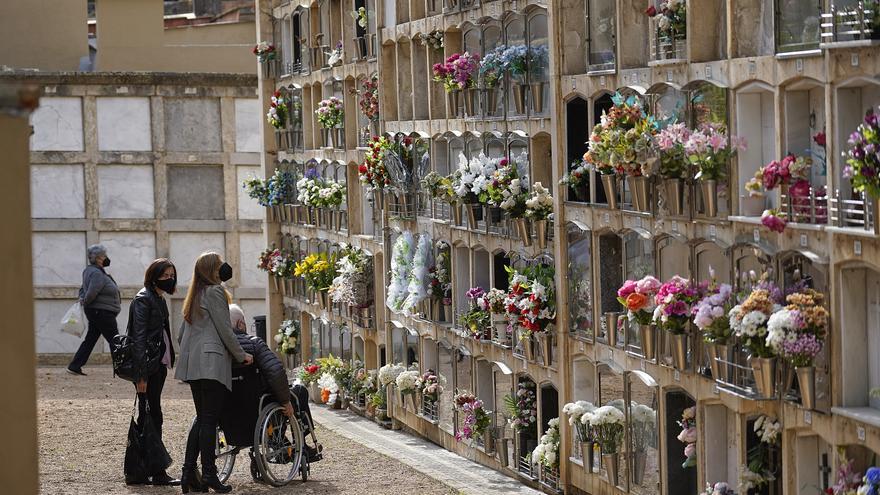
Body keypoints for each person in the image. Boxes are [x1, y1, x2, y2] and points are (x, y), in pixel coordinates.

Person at [176, 252, 253, 494]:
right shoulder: (215, 292)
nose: (224, 268)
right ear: (213, 270)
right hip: (211, 363)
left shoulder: (194, 294)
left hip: (193, 364)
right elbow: (226, 330)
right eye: (220, 265)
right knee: (209, 419)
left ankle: (188, 473)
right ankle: (209, 474)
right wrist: (242, 355)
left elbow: (181, 335)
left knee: (202, 418)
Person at [125, 258, 180, 486]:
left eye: (171, 275)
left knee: (151, 415)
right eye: (165, 276)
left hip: (157, 366)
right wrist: (141, 376)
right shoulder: (143, 300)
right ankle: (155, 472)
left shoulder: (158, 297)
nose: (170, 279)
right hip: (147, 368)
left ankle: (143, 470)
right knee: (151, 416)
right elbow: (137, 337)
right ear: (154, 276)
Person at [228, 305, 316, 445]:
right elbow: (276, 372)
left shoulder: (216, 346)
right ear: (240, 324)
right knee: (300, 392)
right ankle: (301, 444)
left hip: (228, 407)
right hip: (258, 405)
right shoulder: (254, 343)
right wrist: (285, 401)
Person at [68, 244, 121, 376]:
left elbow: (83, 289)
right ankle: (122, 367)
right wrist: (85, 302)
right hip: (101, 312)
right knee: (115, 339)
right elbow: (91, 292)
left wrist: (83, 300)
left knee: (91, 339)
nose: (106, 258)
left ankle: (75, 365)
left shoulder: (91, 271)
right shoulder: (96, 273)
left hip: (97, 311)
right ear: (98, 258)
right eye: (104, 255)